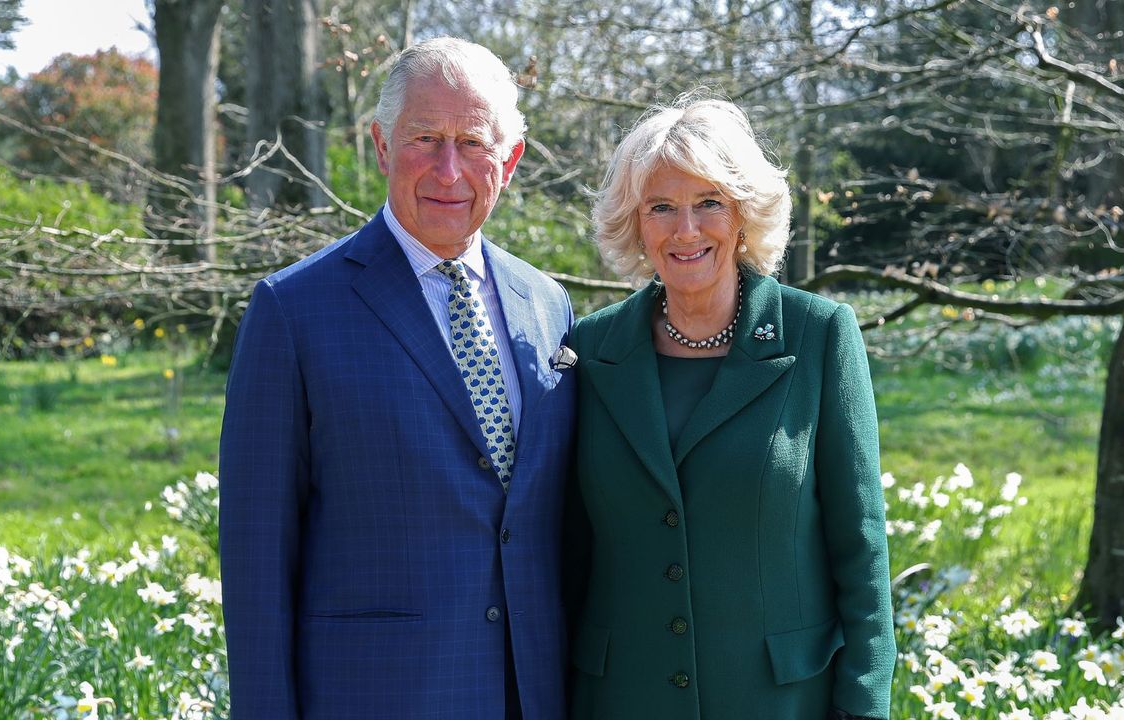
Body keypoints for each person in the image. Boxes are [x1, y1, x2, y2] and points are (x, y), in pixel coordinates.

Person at [219, 37, 577, 720]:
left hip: (531, 693)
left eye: (473, 142)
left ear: (510, 160)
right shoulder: (294, 311)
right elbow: (256, 556)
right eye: (424, 138)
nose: (448, 170)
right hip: (375, 696)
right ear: (381, 146)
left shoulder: (547, 304)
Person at [565, 97, 895, 719]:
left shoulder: (818, 335)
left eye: (708, 203)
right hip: (622, 699)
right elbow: (568, 548)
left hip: (779, 699)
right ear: (635, 224)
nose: (685, 230)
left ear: (743, 215)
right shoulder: (589, 351)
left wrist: (865, 700)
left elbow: (861, 543)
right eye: (661, 207)